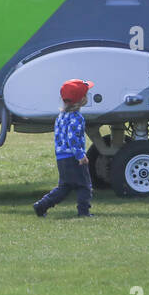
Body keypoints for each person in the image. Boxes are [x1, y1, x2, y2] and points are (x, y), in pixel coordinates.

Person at [32, 79, 94, 218]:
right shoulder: (76, 117)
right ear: (82, 100)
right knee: (84, 185)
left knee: (65, 187)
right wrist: (80, 156)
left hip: (62, 157)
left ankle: (41, 205)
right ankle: (84, 212)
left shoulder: (60, 116)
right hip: (73, 157)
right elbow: (73, 139)